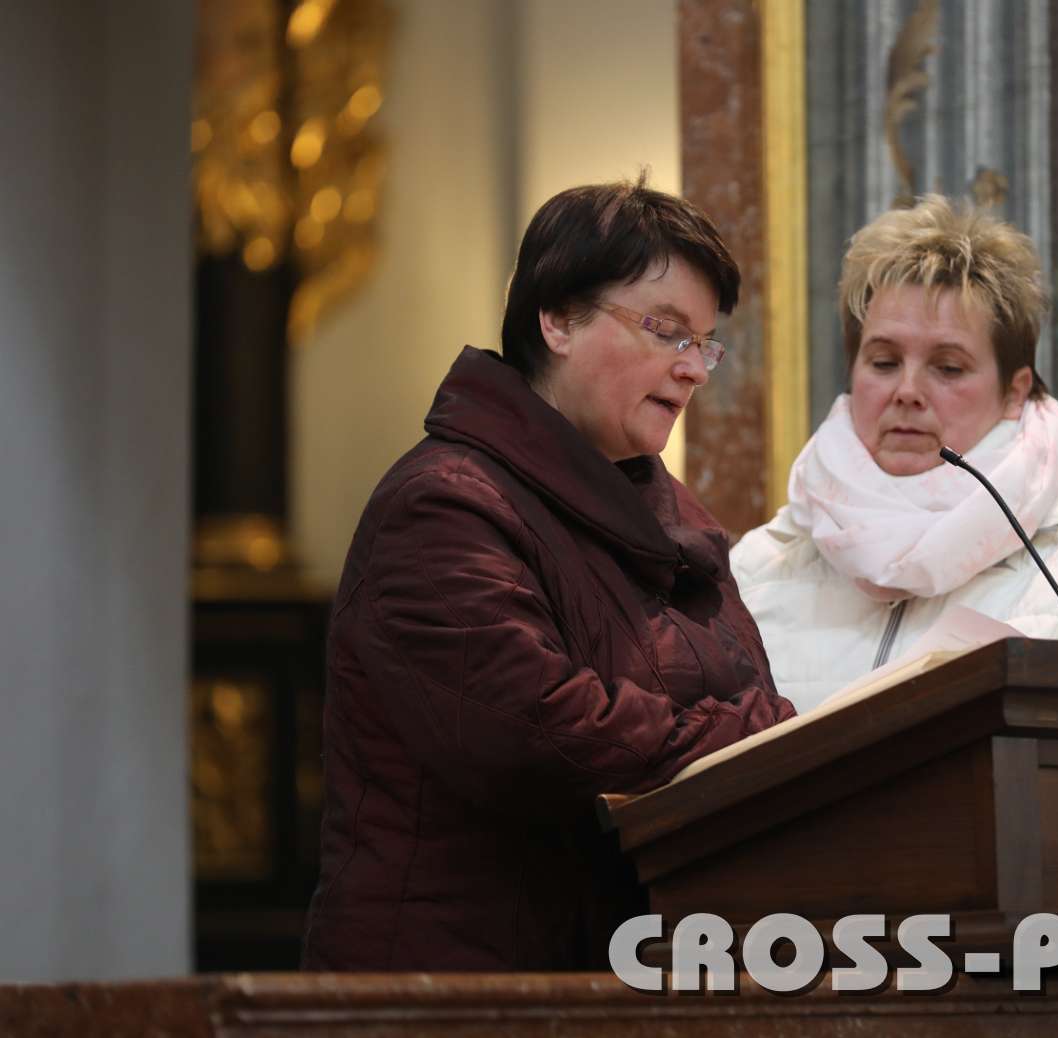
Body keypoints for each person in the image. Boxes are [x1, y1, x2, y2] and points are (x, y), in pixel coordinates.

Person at [302, 179, 795, 972]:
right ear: (558, 319)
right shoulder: (441, 508)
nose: (694, 370)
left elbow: (742, 693)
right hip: (452, 992)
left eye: (704, 343)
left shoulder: (673, 517)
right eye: (667, 331)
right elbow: (545, 737)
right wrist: (760, 735)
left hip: (623, 971)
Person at [731, 195, 1058, 713]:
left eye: (948, 368)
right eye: (884, 362)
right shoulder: (757, 567)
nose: (907, 391)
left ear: (1015, 391)